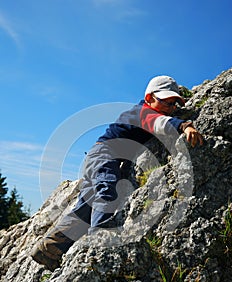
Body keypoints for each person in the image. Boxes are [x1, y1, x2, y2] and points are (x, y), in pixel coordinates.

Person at [31, 75, 203, 271]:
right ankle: (99, 239)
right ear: (149, 98)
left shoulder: (148, 111)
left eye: (175, 104)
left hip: (102, 156)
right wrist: (184, 125)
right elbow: (159, 123)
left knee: (86, 207)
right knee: (107, 190)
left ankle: (49, 248)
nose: (171, 107)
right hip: (105, 154)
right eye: (166, 101)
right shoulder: (142, 112)